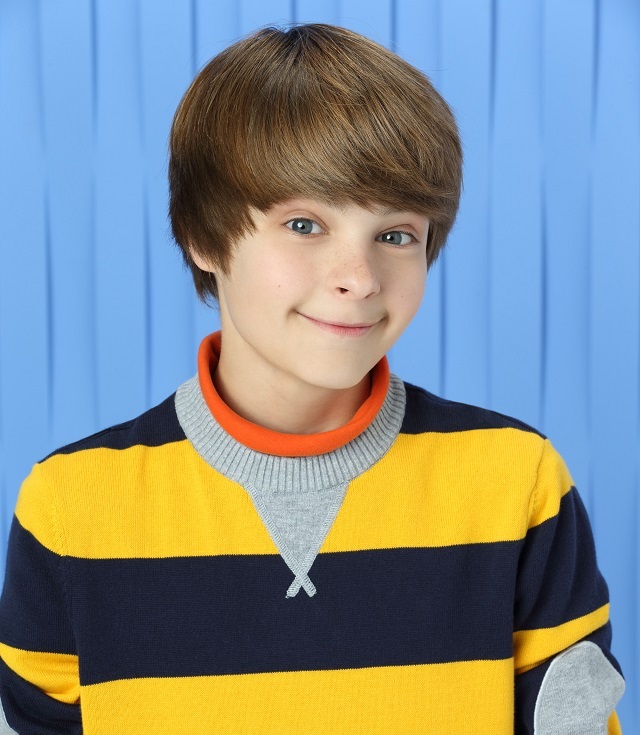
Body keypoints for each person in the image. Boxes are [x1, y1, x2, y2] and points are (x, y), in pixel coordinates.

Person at [0, 23, 625, 735]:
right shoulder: (70, 508)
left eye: (395, 235)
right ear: (203, 237)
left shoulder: (517, 484)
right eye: (303, 225)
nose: (359, 279)